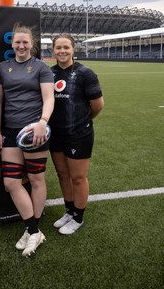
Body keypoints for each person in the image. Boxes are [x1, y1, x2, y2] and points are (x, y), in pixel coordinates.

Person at [0, 24, 54, 257]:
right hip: (9, 131)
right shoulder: (2, 67)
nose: (21, 46)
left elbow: (49, 98)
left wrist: (43, 121)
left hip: (34, 131)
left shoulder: (41, 67)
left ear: (32, 44)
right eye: (17, 42)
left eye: (25, 42)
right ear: (12, 43)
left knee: (37, 180)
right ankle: (34, 230)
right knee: (11, 183)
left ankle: (32, 230)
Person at [49, 34, 104, 235]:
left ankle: (78, 218)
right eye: (58, 47)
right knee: (63, 175)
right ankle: (69, 211)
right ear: (53, 50)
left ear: (73, 49)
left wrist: (82, 122)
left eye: (66, 47)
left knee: (78, 177)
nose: (62, 51)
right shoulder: (49, 73)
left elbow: (97, 105)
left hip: (78, 134)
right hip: (55, 135)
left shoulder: (85, 73)